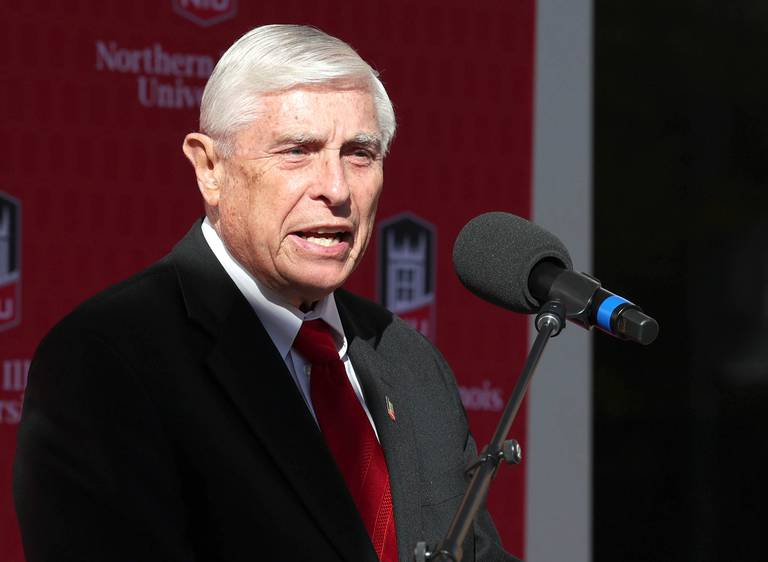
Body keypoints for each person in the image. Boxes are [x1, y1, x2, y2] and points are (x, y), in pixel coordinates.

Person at [13, 25, 517, 562]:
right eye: (297, 151)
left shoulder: (411, 364)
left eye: (359, 154)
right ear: (210, 168)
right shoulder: (109, 360)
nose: (337, 188)